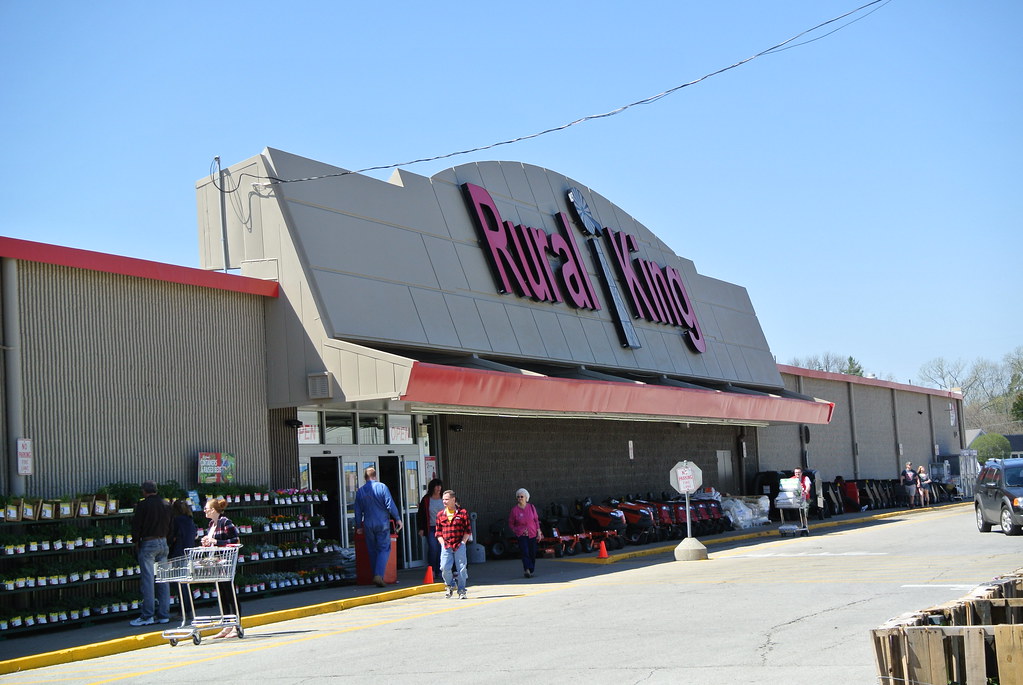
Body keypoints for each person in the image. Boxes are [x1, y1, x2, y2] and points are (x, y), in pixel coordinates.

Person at [129, 480, 171, 627]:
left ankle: (148, 615)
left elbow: (136, 525)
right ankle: (164, 615)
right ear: (156, 490)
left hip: (148, 543)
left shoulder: (143, 505)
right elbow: (171, 524)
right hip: (163, 542)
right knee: (163, 579)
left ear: (144, 491)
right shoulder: (166, 504)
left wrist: (135, 541)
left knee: (148, 580)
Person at [354, 467, 403, 587]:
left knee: (372, 550)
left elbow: (357, 511)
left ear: (365, 477)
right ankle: (378, 575)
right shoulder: (382, 487)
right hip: (382, 523)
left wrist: (358, 525)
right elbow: (389, 504)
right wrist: (397, 518)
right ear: (375, 476)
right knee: (384, 549)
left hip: (368, 524)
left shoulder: (360, 491)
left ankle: (375, 575)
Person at [202, 497, 241, 638]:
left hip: (227, 562)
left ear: (213, 510)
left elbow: (235, 540)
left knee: (230, 594)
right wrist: (207, 542)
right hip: (216, 562)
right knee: (222, 595)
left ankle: (237, 626)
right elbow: (213, 542)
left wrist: (217, 541)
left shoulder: (225, 522)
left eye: (206, 508)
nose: (204, 510)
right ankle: (226, 625)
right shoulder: (211, 524)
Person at [435, 489, 471, 599]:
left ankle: (462, 591)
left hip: (459, 545)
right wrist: (442, 544)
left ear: (453, 500)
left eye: (446, 499)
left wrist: (463, 542)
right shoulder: (440, 514)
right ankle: (450, 585)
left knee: (461, 569)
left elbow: (468, 530)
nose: (444, 502)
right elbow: (438, 533)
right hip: (446, 545)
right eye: (443, 499)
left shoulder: (462, 513)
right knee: (444, 567)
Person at [508, 488, 542, 578]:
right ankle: (526, 569)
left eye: (521, 497)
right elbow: (511, 523)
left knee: (532, 552)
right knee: (525, 552)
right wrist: (516, 530)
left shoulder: (531, 507)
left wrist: (539, 531)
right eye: (518, 497)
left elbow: (536, 520)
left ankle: (531, 568)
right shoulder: (514, 510)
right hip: (522, 535)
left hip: (532, 533)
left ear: (526, 497)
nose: (520, 498)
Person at [416, 478, 445, 581]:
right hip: (431, 528)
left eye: (440, 486)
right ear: (432, 488)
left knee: (442, 549)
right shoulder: (426, 499)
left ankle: (440, 570)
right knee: (433, 548)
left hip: (443, 528)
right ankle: (432, 569)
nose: (438, 488)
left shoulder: (444, 498)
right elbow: (421, 515)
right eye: (436, 486)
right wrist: (421, 528)